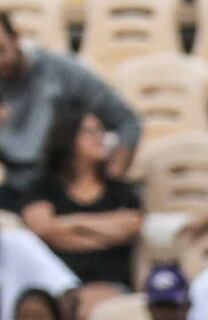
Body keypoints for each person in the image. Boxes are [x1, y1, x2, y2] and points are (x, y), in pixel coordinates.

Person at [21, 104, 140, 320]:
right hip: (57, 286)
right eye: (90, 132)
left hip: (111, 285)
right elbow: (43, 228)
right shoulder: (44, 187)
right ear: (68, 138)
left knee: (87, 306)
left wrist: (71, 223)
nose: (100, 138)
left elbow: (129, 227)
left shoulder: (119, 190)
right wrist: (103, 234)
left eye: (101, 131)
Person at [0, 16, 139, 196]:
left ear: (16, 37)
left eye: (1, 50)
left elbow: (128, 122)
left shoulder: (63, 71)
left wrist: (110, 186)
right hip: (18, 191)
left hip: (68, 191)